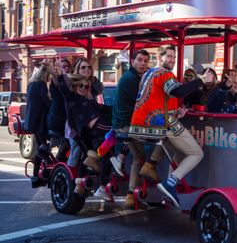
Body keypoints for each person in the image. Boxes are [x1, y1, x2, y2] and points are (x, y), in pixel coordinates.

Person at [128, 45, 214, 209]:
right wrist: (201, 79)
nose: (172, 60)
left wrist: (176, 112)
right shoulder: (165, 73)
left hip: (142, 125)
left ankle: (168, 188)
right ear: (159, 58)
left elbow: (158, 98)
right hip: (161, 124)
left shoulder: (148, 73)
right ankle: (171, 183)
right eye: (168, 56)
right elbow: (178, 92)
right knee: (197, 153)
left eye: (174, 57)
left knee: (181, 150)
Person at [56, 71, 113, 200]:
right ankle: (98, 185)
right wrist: (59, 74)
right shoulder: (72, 98)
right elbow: (63, 88)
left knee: (91, 155)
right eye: (81, 86)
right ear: (74, 86)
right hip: (84, 131)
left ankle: (80, 186)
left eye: (86, 86)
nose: (84, 88)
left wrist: (117, 109)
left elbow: (101, 107)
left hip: (89, 132)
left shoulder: (87, 99)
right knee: (106, 151)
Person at [109, 49, 153, 209]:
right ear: (132, 61)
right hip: (126, 125)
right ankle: (131, 193)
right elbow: (144, 101)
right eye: (140, 60)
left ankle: (132, 192)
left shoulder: (135, 77)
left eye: (145, 61)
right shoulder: (131, 79)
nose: (143, 64)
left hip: (128, 124)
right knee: (141, 156)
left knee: (142, 154)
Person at [25, 64, 52, 188]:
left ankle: (36, 176)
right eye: (49, 75)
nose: (49, 78)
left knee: (42, 147)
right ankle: (36, 176)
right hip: (39, 121)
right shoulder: (41, 85)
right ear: (45, 74)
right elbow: (47, 103)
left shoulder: (31, 84)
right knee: (43, 148)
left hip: (32, 121)